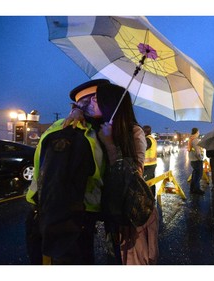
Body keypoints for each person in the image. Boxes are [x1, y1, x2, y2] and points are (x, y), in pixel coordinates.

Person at [64, 82, 159, 265]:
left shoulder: (134, 131)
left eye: (97, 99)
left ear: (111, 103)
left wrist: (109, 145)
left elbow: (134, 175)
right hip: (110, 208)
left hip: (129, 209)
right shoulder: (99, 126)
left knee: (128, 259)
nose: (92, 102)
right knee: (112, 255)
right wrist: (75, 111)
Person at [25, 78, 111, 265]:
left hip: (73, 221)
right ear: (94, 103)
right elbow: (55, 186)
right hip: (62, 224)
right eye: (105, 100)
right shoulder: (71, 132)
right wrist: (63, 246)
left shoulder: (88, 131)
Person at [188, 127, 205, 195]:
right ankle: (196, 189)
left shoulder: (191, 139)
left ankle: (192, 188)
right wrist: (201, 158)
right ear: (196, 132)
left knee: (195, 174)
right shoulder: (195, 140)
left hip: (192, 159)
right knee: (198, 175)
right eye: (198, 132)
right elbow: (197, 151)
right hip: (197, 160)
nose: (199, 133)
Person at [142, 125, 157, 197]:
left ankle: (149, 199)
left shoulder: (147, 140)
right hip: (151, 164)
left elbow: (142, 149)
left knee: (146, 183)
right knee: (151, 182)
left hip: (148, 165)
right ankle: (152, 199)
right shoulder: (152, 138)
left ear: (144, 132)